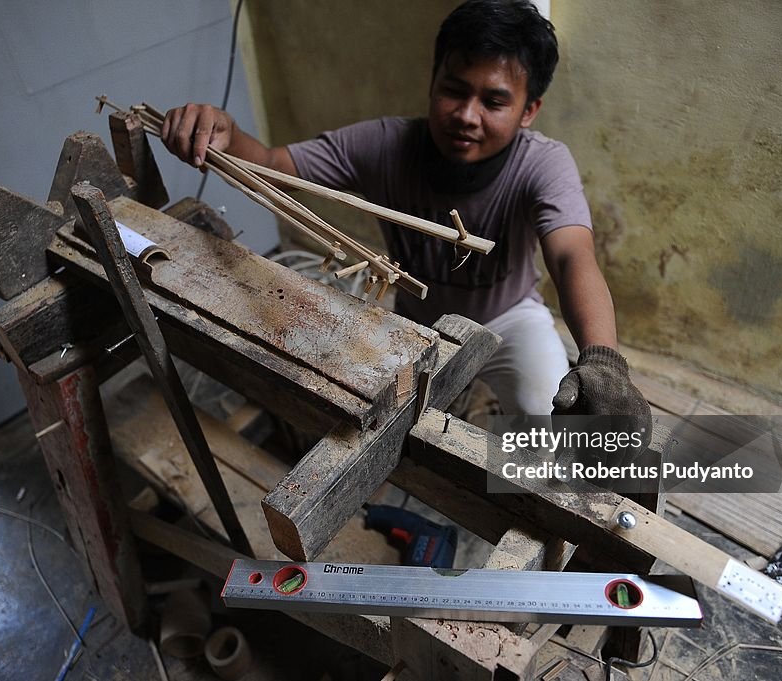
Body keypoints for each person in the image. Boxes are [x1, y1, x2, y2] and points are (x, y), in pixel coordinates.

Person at [160, 0, 651, 445]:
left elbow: (571, 256)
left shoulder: (543, 163)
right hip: (417, 323)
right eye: (453, 91)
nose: (466, 115)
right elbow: (273, 165)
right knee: (373, 432)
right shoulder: (384, 145)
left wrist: (603, 361)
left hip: (509, 318)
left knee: (555, 432)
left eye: (494, 102)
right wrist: (226, 134)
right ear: (432, 80)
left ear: (529, 111)